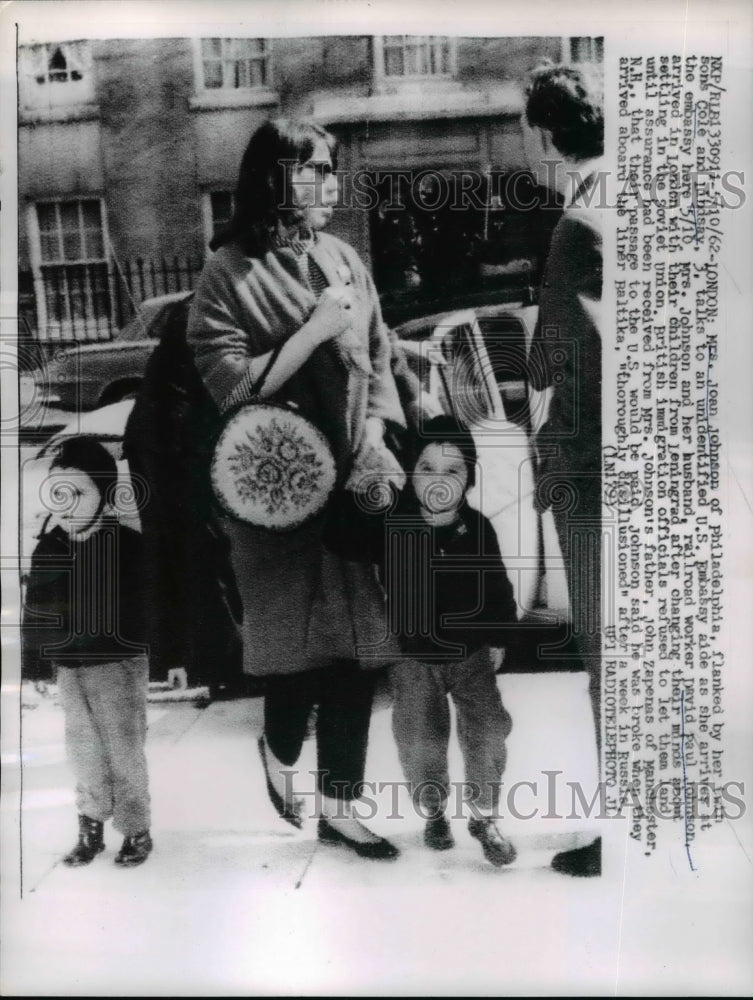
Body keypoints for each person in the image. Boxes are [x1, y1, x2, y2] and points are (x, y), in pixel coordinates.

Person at [187, 119, 409, 860]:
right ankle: (280, 752)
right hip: (273, 505)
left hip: (349, 493)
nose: (332, 183)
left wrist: (376, 435)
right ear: (276, 177)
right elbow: (230, 388)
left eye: (334, 168)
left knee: (356, 656)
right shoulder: (226, 272)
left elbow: (378, 360)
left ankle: (341, 807)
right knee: (294, 663)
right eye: (316, 168)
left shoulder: (343, 256)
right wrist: (313, 329)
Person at [524, 61, 604, 876]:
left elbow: (559, 367)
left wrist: (551, 462)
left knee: (607, 654)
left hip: (595, 473)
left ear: (544, 137)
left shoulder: (578, 222)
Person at [384, 416, 519, 867]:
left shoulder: (478, 528)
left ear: (469, 479)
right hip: (413, 657)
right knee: (418, 738)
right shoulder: (393, 525)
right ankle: (434, 810)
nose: (439, 482)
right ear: (407, 473)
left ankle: (483, 815)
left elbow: (498, 586)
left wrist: (499, 636)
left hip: (471, 653)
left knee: (488, 730)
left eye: (453, 471)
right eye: (426, 469)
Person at [22, 437, 153, 868]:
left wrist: (169, 661)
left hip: (118, 664)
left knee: (124, 747)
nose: (65, 504)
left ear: (101, 494)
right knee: (82, 748)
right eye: (58, 492)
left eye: (77, 493)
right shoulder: (50, 548)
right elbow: (38, 612)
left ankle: (135, 828)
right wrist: (36, 665)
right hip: (70, 669)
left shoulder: (127, 547)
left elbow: (154, 608)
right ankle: (90, 824)